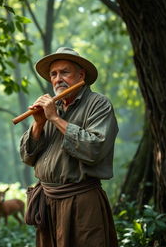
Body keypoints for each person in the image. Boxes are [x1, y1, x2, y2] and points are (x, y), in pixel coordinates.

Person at [20, 47, 119, 247]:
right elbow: (27, 157)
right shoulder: (49, 109)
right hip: (47, 204)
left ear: (81, 75)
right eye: (53, 74)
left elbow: (95, 149)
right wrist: (39, 124)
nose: (58, 79)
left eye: (65, 72)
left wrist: (55, 119)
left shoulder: (98, 104)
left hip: (81, 203)